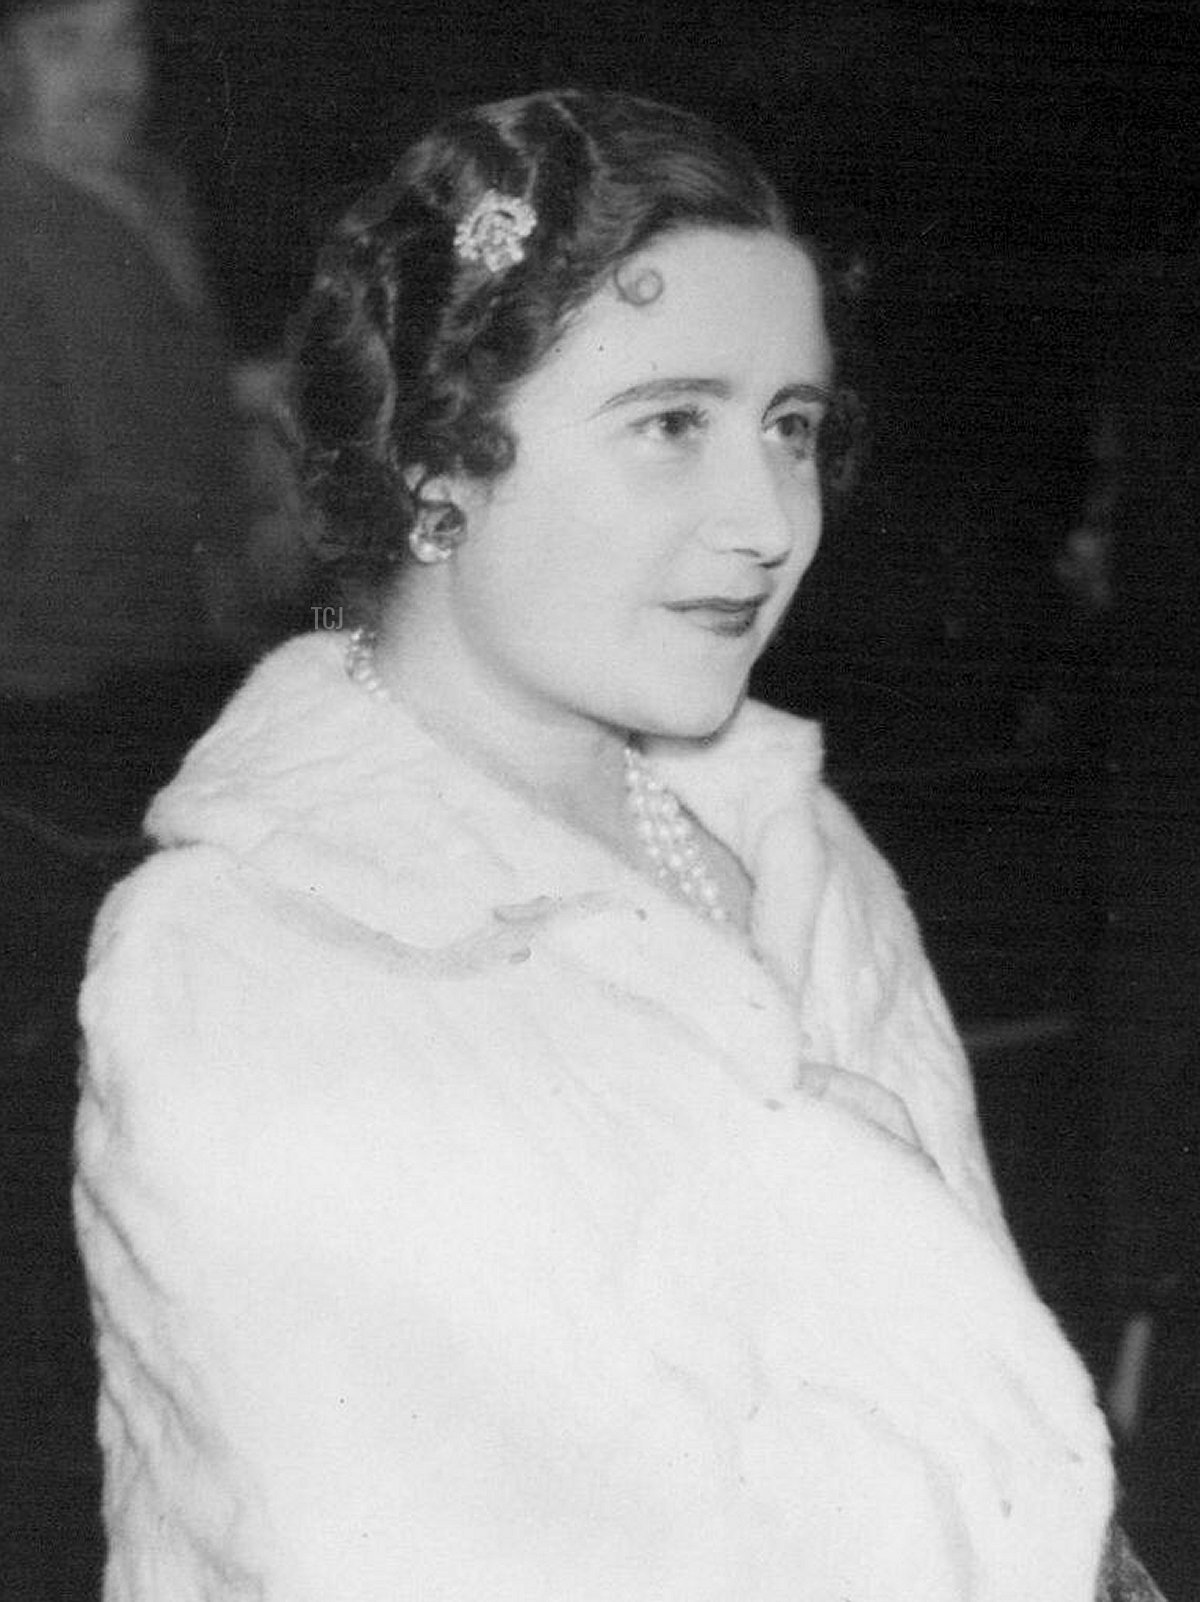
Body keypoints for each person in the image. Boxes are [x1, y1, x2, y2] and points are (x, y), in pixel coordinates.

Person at [74, 89, 1153, 1600]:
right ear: (439, 462)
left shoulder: (792, 841)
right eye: (670, 424)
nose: (770, 517)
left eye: (790, 428)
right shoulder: (248, 961)